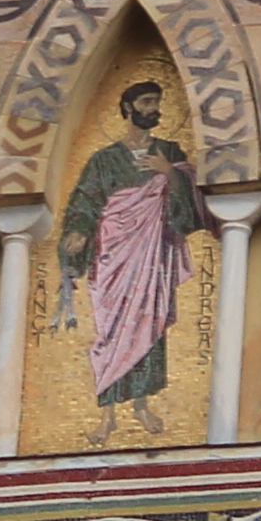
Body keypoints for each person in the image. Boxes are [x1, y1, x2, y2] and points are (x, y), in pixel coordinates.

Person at [53, 78, 207, 443]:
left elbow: (191, 206)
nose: (154, 109)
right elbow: (84, 203)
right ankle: (106, 414)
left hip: (152, 254)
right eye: (147, 102)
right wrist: (77, 231)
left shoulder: (169, 150)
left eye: (157, 102)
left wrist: (168, 171)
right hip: (113, 255)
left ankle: (140, 404)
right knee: (111, 328)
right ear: (128, 109)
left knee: (149, 321)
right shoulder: (104, 160)